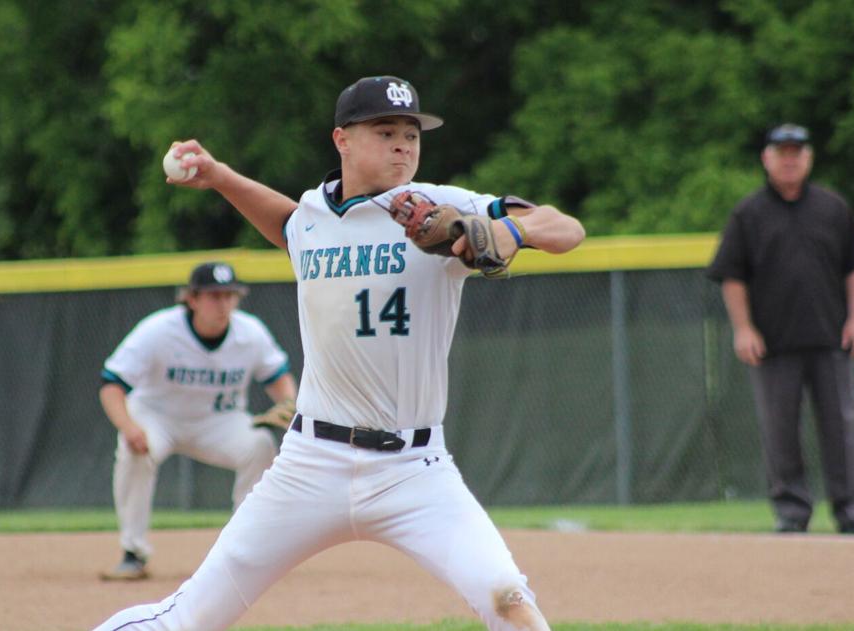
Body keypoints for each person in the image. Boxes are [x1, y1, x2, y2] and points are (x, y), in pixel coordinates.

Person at [91, 75, 584, 630]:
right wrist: (220, 176)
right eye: (385, 132)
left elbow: (566, 228)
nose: (403, 146)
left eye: (411, 134)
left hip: (414, 469)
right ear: (341, 140)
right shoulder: (312, 216)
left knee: (508, 601)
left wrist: (509, 232)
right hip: (310, 463)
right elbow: (287, 225)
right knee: (190, 616)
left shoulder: (439, 207)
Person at [708, 123, 854, 536]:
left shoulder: (833, 207)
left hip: (830, 336)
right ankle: (791, 512)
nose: (789, 160)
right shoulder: (749, 213)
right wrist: (744, 328)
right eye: (781, 152)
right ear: (766, 158)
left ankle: (852, 513)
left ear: (808, 158)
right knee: (779, 429)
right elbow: (732, 275)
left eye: (796, 152)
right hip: (773, 343)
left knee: (842, 428)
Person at [99, 261, 298, 580]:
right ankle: (133, 552)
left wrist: (288, 403)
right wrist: (129, 427)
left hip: (218, 422)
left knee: (259, 445)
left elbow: (278, 378)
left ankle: (245, 547)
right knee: (133, 450)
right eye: (214, 296)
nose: (223, 303)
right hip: (158, 418)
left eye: (229, 295)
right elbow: (111, 385)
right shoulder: (158, 330)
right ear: (191, 299)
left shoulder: (250, 332)